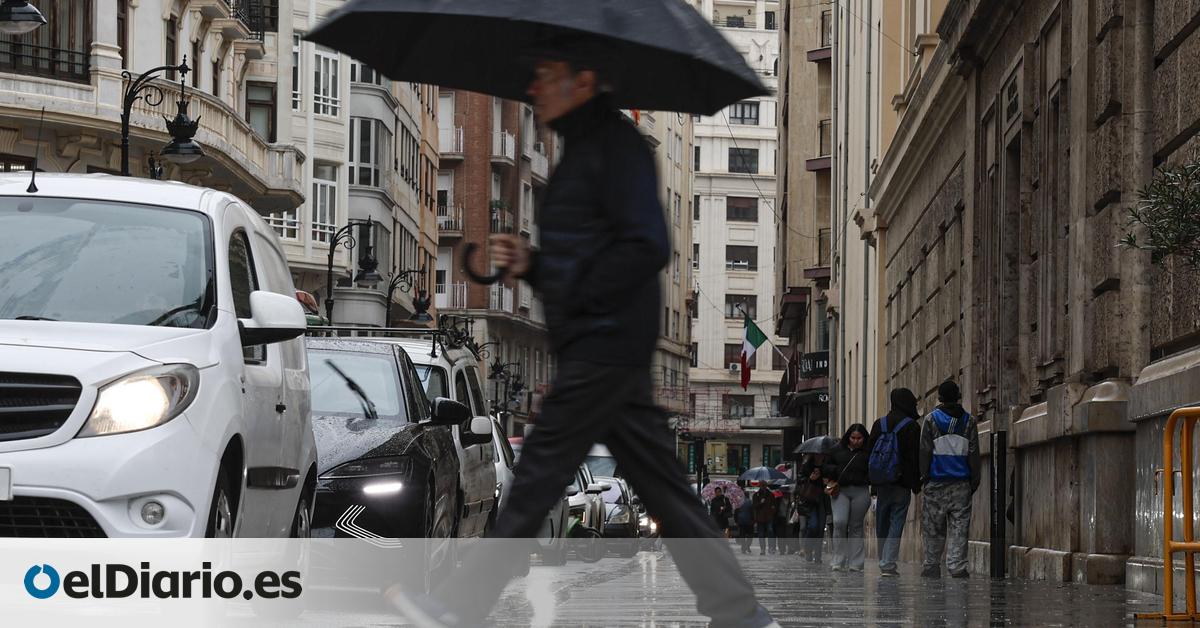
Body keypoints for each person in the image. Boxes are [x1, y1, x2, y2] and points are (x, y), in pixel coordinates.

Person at [386, 38, 778, 628]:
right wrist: (530, 262)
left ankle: (458, 609)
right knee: (664, 489)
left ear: (585, 81)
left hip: (604, 344)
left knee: (538, 474)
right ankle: (742, 614)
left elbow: (645, 246)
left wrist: (563, 275)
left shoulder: (616, 148)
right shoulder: (585, 149)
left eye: (548, 74)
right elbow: (587, 255)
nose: (536, 87)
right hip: (601, 347)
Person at [920, 380, 981, 579]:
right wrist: (974, 479)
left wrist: (925, 476)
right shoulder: (969, 421)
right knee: (959, 527)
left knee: (933, 527)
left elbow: (925, 451)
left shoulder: (930, 420)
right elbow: (973, 452)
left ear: (940, 398)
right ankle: (957, 566)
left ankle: (931, 564)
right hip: (961, 482)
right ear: (958, 396)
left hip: (936, 481)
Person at [866, 388, 923, 577]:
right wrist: (915, 483)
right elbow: (914, 458)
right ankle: (888, 562)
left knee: (882, 521)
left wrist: (873, 483)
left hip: (881, 483)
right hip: (901, 483)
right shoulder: (911, 426)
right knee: (897, 521)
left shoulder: (878, 424)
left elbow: (870, 455)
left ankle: (884, 557)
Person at [823, 424, 871, 572]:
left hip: (861, 489)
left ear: (864, 438)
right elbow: (825, 467)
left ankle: (856, 563)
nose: (856, 441)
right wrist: (835, 470)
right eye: (853, 438)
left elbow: (874, 469)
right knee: (839, 522)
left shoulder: (868, 451)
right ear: (848, 437)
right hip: (840, 490)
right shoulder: (836, 450)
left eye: (859, 438)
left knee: (856, 526)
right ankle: (838, 559)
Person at [797, 453, 828, 563]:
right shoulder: (807, 466)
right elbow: (800, 482)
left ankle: (818, 556)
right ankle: (808, 548)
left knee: (820, 529)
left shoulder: (828, 465)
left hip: (824, 500)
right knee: (813, 526)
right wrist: (810, 478)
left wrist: (826, 481)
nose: (820, 456)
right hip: (810, 501)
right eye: (817, 454)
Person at [752, 484, 777, 555]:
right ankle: (762, 549)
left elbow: (774, 505)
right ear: (760, 486)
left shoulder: (771, 495)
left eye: (764, 485)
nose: (763, 487)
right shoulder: (756, 495)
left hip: (769, 517)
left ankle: (771, 548)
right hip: (760, 518)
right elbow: (754, 506)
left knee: (770, 531)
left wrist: (772, 511)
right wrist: (761, 502)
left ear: (766, 486)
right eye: (762, 485)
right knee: (761, 534)